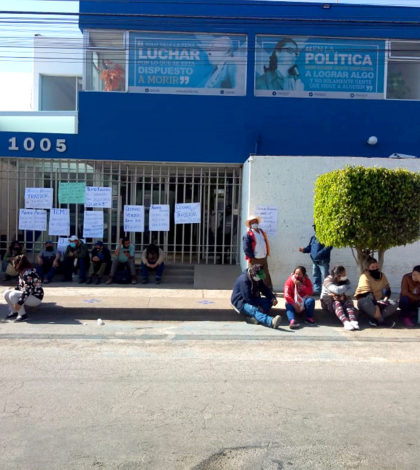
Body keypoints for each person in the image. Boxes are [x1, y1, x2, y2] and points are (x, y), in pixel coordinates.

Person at [231, 263, 281, 329]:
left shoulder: (257, 278)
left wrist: (272, 298)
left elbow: (264, 289)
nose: (260, 279)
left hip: (253, 298)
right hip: (241, 301)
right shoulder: (244, 280)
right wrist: (257, 306)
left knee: (269, 302)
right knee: (254, 309)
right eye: (259, 277)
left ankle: (255, 318)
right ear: (252, 274)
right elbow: (248, 299)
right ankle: (271, 321)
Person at [354, 256, 397, 327]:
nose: (375, 268)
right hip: (367, 301)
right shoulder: (364, 276)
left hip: (379, 301)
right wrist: (376, 306)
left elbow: (388, 289)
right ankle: (382, 321)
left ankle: (373, 319)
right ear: (368, 268)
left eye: (376, 266)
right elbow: (367, 294)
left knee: (395, 303)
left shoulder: (382, 275)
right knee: (367, 303)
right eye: (372, 267)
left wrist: (385, 299)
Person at [3, 254, 44, 322]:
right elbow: (20, 286)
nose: (13, 265)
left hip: (35, 298)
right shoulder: (22, 272)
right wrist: (15, 291)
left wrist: (19, 303)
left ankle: (22, 315)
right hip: (29, 295)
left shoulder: (29, 273)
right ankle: (14, 312)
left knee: (12, 295)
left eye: (14, 263)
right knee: (6, 293)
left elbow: (28, 290)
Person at [321, 265, 359, 331]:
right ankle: (345, 322)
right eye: (343, 274)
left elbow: (352, 290)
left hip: (342, 299)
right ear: (337, 275)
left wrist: (343, 294)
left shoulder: (345, 280)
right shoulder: (328, 280)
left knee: (348, 302)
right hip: (328, 301)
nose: (345, 276)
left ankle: (353, 321)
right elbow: (336, 290)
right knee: (337, 303)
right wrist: (346, 287)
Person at [299, 225, 332, 296]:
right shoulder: (313, 237)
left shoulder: (326, 237)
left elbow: (328, 247)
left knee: (325, 276)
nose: (315, 229)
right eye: (315, 227)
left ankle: (328, 291)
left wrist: (318, 254)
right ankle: (317, 290)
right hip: (315, 261)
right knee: (316, 275)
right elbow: (310, 247)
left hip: (323, 261)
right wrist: (304, 250)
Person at [243, 214, 272, 289]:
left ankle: (269, 290)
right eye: (252, 222)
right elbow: (246, 248)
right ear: (250, 225)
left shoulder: (262, 232)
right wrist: (252, 257)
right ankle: (254, 291)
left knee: (265, 275)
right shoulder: (248, 235)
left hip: (263, 258)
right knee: (254, 276)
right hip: (254, 259)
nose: (254, 224)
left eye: (255, 222)